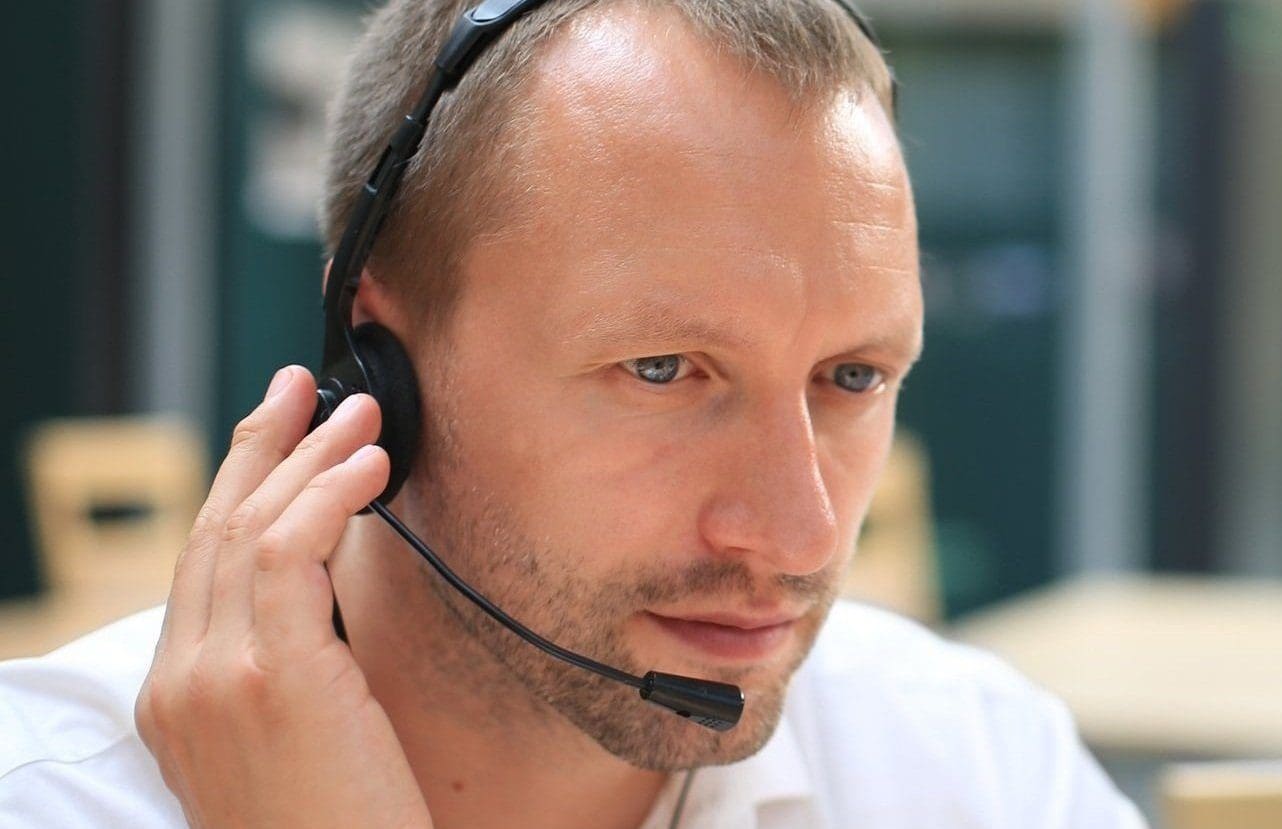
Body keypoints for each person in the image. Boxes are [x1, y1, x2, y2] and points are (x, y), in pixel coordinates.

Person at [0, 1, 1143, 826]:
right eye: (661, 369)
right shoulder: (51, 795)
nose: (799, 537)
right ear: (376, 374)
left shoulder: (972, 765)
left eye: (852, 376)